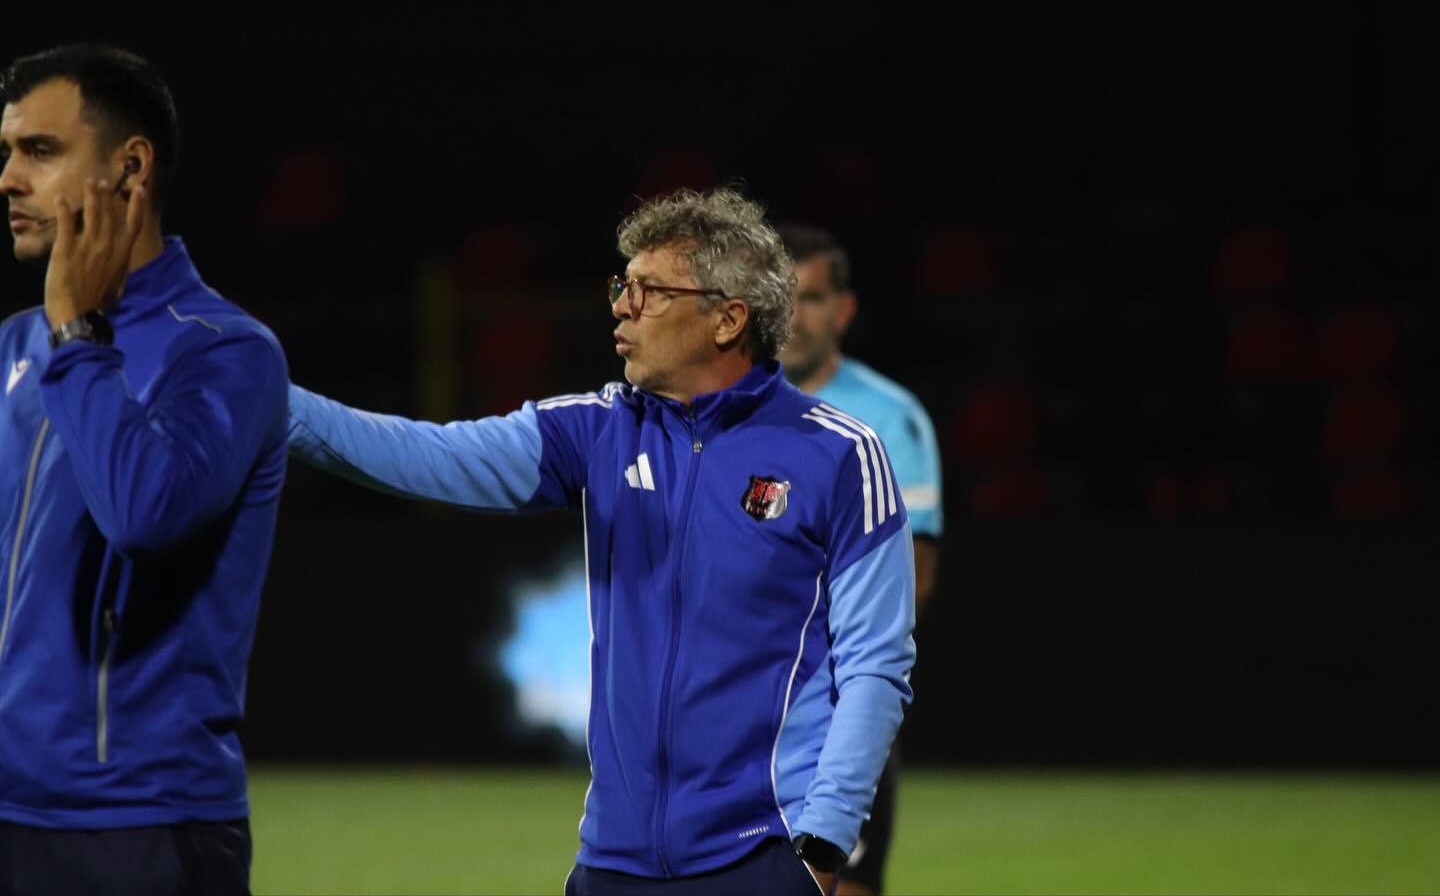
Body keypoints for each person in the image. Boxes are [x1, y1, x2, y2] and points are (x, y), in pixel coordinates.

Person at [287, 188, 916, 895]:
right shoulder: (595, 431)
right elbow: (421, 455)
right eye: (624, 285)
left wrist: (824, 842)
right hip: (614, 860)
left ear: (728, 318)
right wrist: (272, 403)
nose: (622, 306)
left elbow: (875, 664)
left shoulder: (839, 455)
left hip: (761, 854)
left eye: (651, 291)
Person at [0, 45, 288, 894]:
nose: (8, 179)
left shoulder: (226, 352)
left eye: (40, 151)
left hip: (142, 826)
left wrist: (78, 336)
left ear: (130, 167)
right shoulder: (14, 345)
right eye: (7, 153)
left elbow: (145, 513)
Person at [778, 225, 943, 896]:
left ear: (843, 310)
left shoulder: (889, 418)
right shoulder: (720, 410)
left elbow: (915, 571)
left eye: (812, 297)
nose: (794, 316)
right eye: (780, 295)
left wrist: (848, 686)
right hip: (735, 713)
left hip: (832, 711)